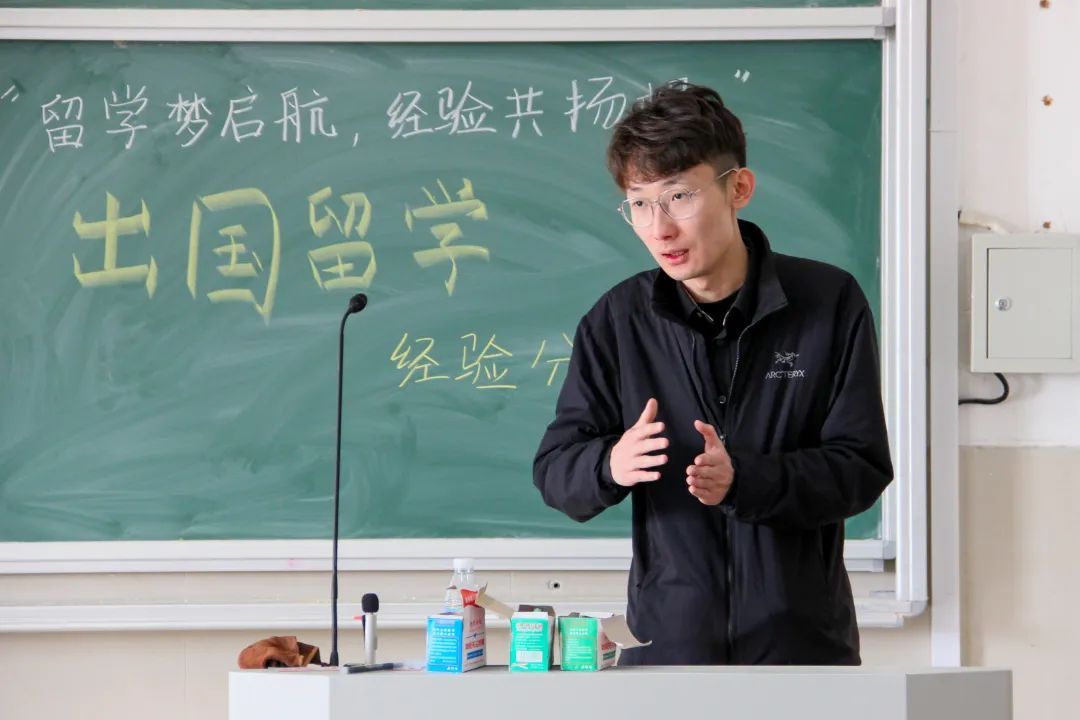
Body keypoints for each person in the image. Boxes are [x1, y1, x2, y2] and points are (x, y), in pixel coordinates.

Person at [533, 81, 893, 665]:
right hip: (669, 649)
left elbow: (861, 467)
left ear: (739, 189)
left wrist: (744, 481)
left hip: (801, 649)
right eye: (640, 203)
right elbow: (555, 472)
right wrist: (610, 464)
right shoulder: (618, 321)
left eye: (679, 196)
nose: (659, 228)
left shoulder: (827, 303)